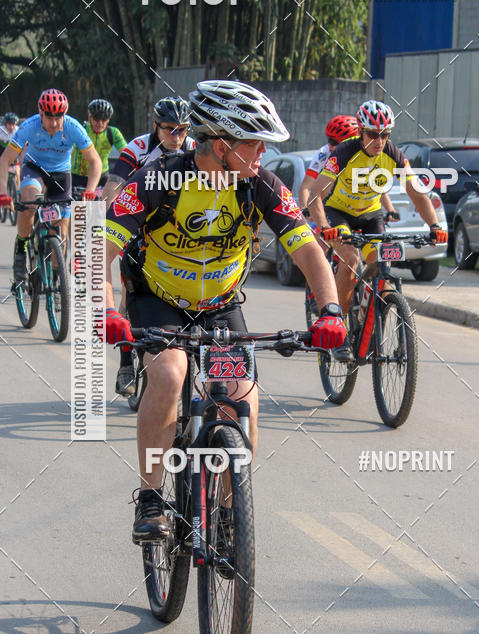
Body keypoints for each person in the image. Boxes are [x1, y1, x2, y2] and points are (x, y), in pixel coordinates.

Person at [99, 79, 347, 543]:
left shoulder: (261, 186)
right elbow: (99, 252)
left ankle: (231, 516)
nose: (261, 156)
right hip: (159, 300)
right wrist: (106, 308)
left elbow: (309, 252)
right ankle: (152, 498)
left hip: (219, 305)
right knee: (171, 375)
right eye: (254, 145)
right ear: (220, 145)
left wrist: (331, 310)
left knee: (239, 396)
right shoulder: (157, 180)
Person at [308, 100, 448, 344]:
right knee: (351, 259)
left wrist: (435, 226)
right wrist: (324, 226)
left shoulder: (392, 154)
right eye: (373, 134)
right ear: (361, 132)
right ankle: (337, 327)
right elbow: (315, 196)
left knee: (382, 265)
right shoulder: (343, 152)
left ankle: (370, 320)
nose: (379, 142)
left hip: (372, 215)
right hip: (340, 213)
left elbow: (416, 192)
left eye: (385, 135)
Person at [103, 96, 195, 397]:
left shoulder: (193, 149)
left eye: (182, 130)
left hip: (179, 233)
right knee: (130, 300)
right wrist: (111, 219)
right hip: (138, 230)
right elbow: (114, 185)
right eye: (169, 129)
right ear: (156, 127)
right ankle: (126, 363)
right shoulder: (137, 149)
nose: (176, 137)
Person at [0, 89, 102, 286]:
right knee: (30, 201)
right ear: (41, 113)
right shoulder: (29, 126)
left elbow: (95, 162)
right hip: (34, 169)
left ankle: (56, 281)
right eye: (49, 117)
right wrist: (3, 192)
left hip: (60, 174)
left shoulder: (73, 127)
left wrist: (90, 189)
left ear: (65, 114)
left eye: (58, 117)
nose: (54, 123)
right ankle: (21, 251)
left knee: (60, 233)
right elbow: (6, 159)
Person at [298, 115, 359, 211]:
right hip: (327, 206)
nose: (330, 145)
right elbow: (305, 187)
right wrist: (306, 209)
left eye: (335, 142)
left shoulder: (362, 155)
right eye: (329, 140)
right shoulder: (324, 153)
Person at [71, 99, 126, 193]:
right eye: (97, 118)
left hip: (101, 177)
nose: (100, 123)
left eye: (104, 119)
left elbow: (126, 153)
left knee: (100, 207)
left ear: (108, 119)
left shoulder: (113, 133)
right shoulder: (81, 130)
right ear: (90, 117)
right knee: (79, 207)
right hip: (77, 177)